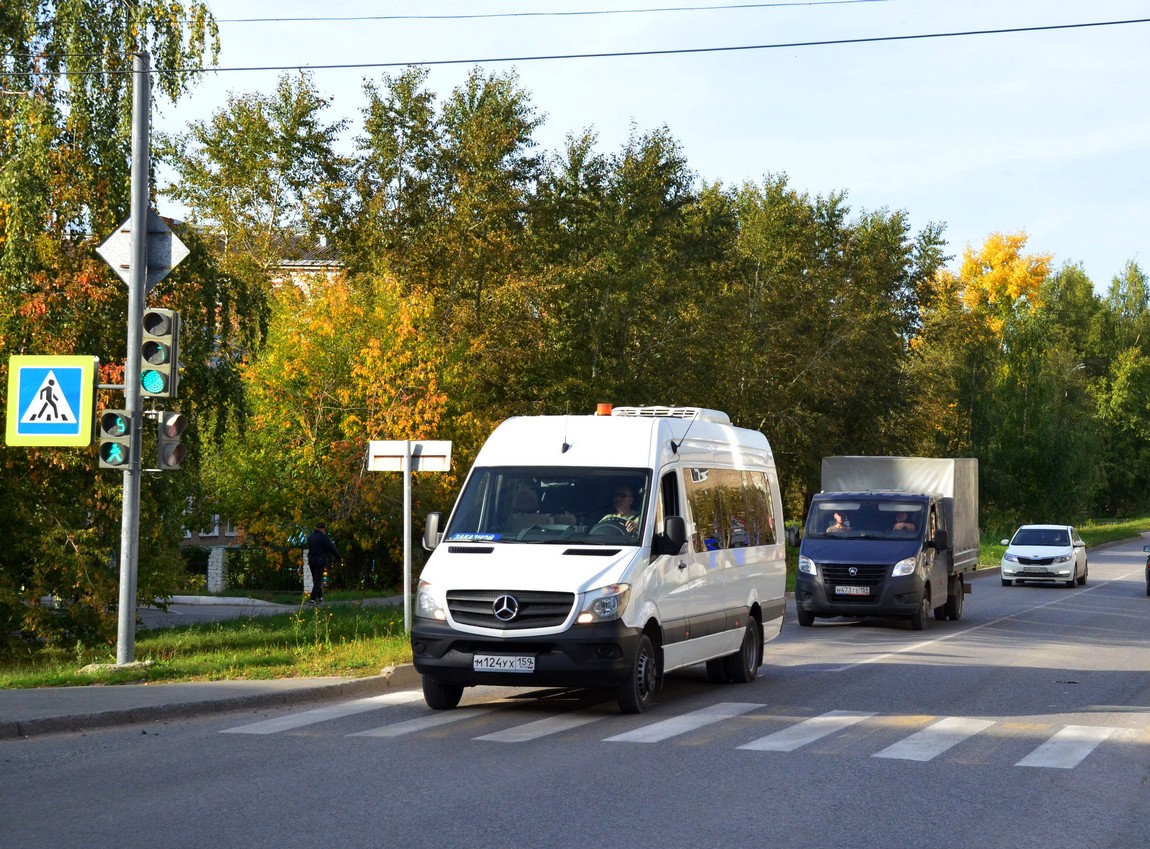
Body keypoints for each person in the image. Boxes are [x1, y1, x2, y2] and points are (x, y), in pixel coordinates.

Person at [305, 522, 341, 604]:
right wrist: (339, 557)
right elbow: (331, 548)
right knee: (318, 581)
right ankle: (312, 599)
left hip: (311, 561)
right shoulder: (323, 537)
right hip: (320, 561)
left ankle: (320, 598)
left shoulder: (310, 537)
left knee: (315, 579)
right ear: (323, 528)